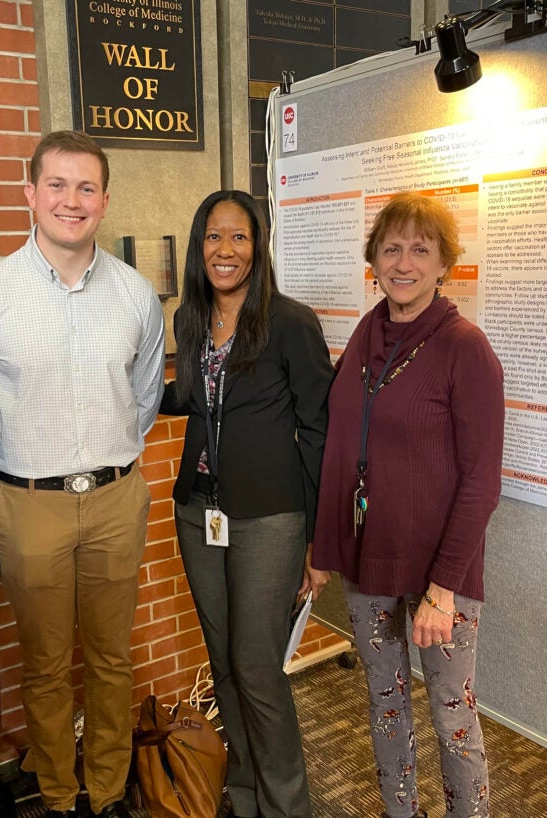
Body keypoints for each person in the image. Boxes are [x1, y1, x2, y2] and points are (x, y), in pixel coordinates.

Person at [0, 130, 165, 818]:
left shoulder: (135, 295)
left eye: (86, 187)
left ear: (104, 199)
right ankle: (59, 793)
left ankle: (104, 793)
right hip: (27, 504)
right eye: (57, 185)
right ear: (30, 194)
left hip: (114, 497)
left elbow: (146, 396)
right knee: (43, 667)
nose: (72, 200)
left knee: (111, 659)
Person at [312, 192, 504, 818]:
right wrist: (323, 546)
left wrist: (444, 589)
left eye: (421, 249)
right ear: (374, 259)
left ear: (445, 263)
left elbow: (481, 482)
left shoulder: (464, 347)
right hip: (370, 561)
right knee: (386, 701)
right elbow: (342, 444)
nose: (404, 262)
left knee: (451, 713)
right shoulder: (368, 334)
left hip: (437, 575)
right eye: (391, 248)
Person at [159, 190, 334, 818]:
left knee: (257, 666)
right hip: (198, 509)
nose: (224, 250)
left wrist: (319, 538)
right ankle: (243, 796)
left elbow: (319, 430)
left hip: (269, 516)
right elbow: (189, 398)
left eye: (238, 236)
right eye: (212, 237)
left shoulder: (291, 321)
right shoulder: (190, 320)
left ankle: (287, 807)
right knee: (224, 660)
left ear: (257, 246)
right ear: (198, 247)